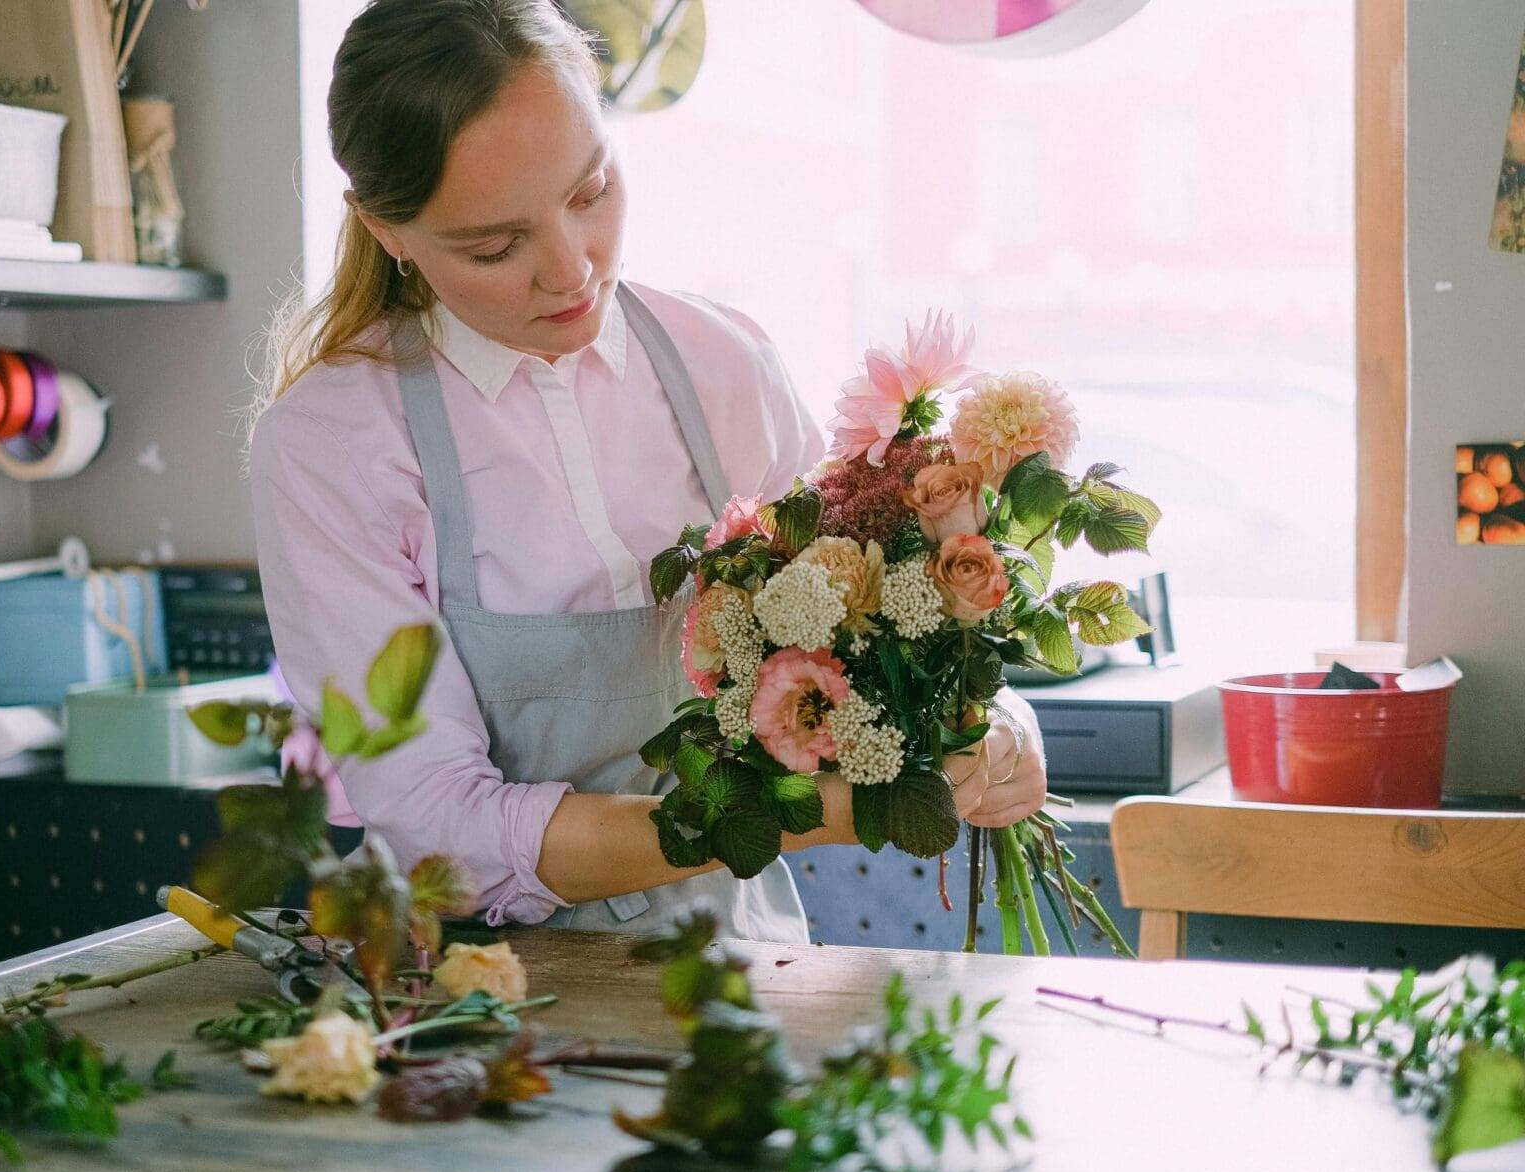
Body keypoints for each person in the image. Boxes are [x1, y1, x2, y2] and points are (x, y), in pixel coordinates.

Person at [248, 0, 1046, 944]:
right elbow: (437, 835)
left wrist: (993, 727)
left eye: (591, 193)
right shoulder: (334, 442)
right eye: (495, 246)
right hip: (469, 1011)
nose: (572, 270)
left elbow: (870, 642)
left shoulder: (722, 364)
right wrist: (810, 815)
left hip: (740, 968)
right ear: (387, 230)